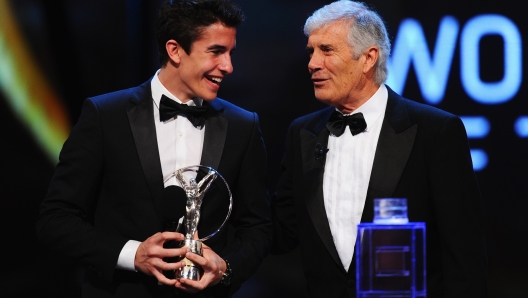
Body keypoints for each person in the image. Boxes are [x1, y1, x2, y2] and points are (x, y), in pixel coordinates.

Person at [36, 1, 272, 297]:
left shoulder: (242, 125)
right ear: (175, 50)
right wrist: (132, 254)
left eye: (230, 52)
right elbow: (56, 219)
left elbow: (258, 227)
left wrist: (225, 268)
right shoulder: (105, 115)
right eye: (215, 51)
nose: (228, 66)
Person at [271, 1, 487, 297]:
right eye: (311, 51)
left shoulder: (435, 131)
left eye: (326, 50)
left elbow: (464, 251)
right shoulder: (303, 133)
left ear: (368, 58)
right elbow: (282, 232)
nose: (312, 63)